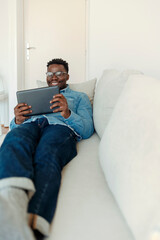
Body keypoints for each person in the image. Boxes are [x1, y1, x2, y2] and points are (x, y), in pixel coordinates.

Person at [0, 58, 94, 240]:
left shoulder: (79, 97)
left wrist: (67, 112)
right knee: (14, 140)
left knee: (47, 152)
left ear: (67, 76)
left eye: (59, 73)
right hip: (32, 125)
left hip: (60, 128)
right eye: (50, 74)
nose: (54, 77)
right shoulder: (36, 96)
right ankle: (10, 202)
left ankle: (33, 225)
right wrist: (17, 120)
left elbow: (88, 129)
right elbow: (15, 127)